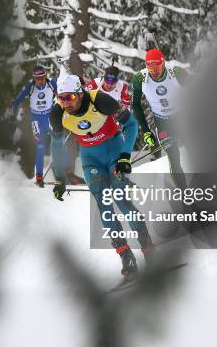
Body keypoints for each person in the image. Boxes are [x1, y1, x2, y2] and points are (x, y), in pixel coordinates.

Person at [49, 74, 154, 281]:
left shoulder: (100, 100)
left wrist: (125, 156)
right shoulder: (57, 113)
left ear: (80, 93)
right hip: (90, 158)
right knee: (105, 207)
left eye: (69, 97)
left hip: (114, 150)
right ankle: (126, 258)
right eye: (61, 98)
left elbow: (131, 125)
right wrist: (60, 178)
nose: (66, 102)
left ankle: (150, 252)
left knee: (122, 202)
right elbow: (56, 145)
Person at [12, 66, 84, 187]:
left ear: (45, 76)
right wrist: (13, 108)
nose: (40, 80)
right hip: (36, 120)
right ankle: (39, 176)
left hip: (49, 117)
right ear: (34, 78)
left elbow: (64, 91)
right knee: (40, 147)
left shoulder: (52, 84)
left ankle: (69, 174)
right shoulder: (30, 85)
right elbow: (18, 98)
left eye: (42, 78)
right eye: (38, 78)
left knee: (60, 143)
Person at [132, 49, 188, 188]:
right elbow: (136, 104)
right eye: (150, 68)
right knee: (174, 158)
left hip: (182, 119)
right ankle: (186, 196)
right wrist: (146, 131)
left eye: (156, 68)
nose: (154, 72)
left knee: (196, 149)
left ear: (163, 64)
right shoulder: (140, 78)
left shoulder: (175, 72)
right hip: (162, 123)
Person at [86, 65, 138, 153]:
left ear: (116, 81)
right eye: (107, 82)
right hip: (96, 116)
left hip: (112, 118)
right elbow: (83, 98)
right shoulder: (95, 84)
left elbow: (126, 105)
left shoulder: (121, 87)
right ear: (104, 78)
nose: (109, 86)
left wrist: (125, 120)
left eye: (112, 84)